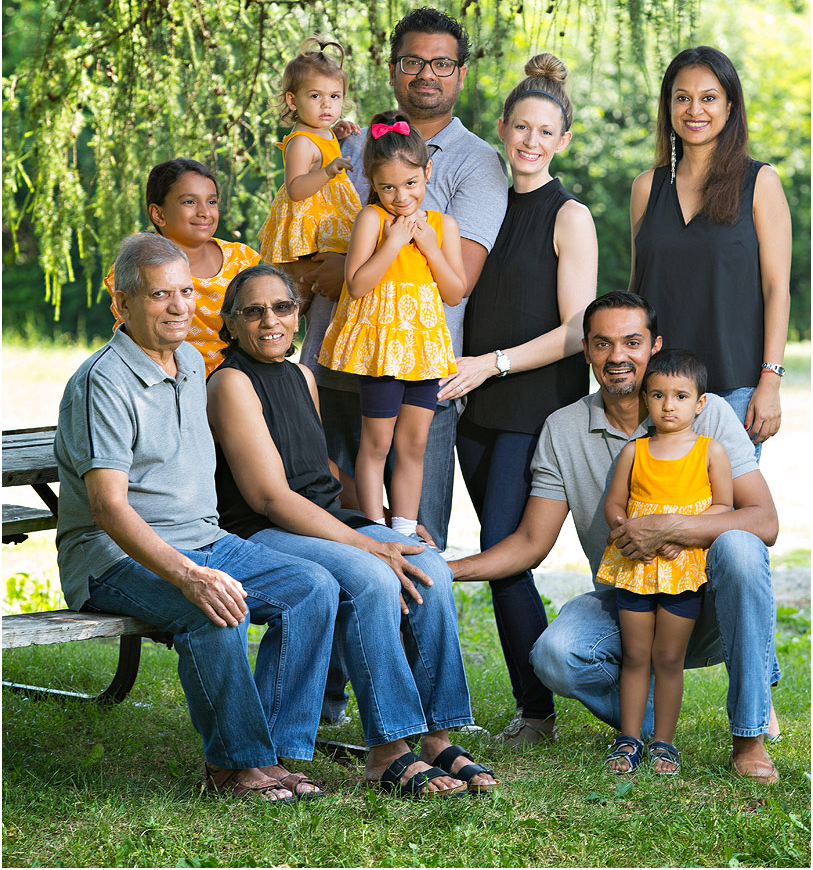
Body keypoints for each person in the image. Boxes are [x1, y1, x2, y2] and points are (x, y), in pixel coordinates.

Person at [449, 292, 781, 784]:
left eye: (632, 342)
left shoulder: (704, 414)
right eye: (602, 344)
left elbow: (764, 521)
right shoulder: (563, 429)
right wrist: (449, 568)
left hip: (709, 601)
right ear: (586, 350)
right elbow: (530, 542)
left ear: (655, 346)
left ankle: (749, 736)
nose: (617, 356)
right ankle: (650, 731)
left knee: (740, 547)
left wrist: (672, 527)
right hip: (629, 604)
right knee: (556, 655)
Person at [58, 234, 337, 802]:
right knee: (209, 608)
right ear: (122, 305)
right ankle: (234, 767)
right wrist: (188, 574)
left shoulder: (189, 359)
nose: (180, 306)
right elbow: (110, 509)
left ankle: (276, 755)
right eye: (161, 296)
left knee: (313, 587)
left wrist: (201, 559)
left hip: (202, 539)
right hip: (111, 558)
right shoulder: (102, 383)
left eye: (186, 291)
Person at [207, 264, 498, 797]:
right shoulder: (230, 382)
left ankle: (435, 734)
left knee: (427, 563)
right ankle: (387, 748)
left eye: (283, 307)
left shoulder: (302, 377)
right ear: (230, 321)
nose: (270, 320)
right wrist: (369, 544)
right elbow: (270, 496)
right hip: (263, 532)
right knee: (372, 575)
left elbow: (318, 470)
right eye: (253, 310)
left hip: (320, 518)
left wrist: (384, 520)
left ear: (298, 315)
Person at [292, 7, 508, 552]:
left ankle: (419, 638)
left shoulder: (479, 163)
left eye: (442, 63)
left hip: (420, 367)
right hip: (333, 362)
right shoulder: (349, 142)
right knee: (335, 544)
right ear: (392, 70)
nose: (426, 74)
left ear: (460, 73)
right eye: (413, 61)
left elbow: (460, 276)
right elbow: (303, 221)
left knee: (417, 541)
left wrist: (342, 267)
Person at [436, 53, 597, 746]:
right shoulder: (487, 206)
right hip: (474, 406)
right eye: (519, 128)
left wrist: (490, 365)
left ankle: (535, 712)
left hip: (533, 408)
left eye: (544, 131)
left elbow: (575, 330)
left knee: (506, 552)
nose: (529, 141)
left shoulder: (570, 216)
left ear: (563, 139)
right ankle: (530, 708)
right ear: (501, 129)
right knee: (499, 554)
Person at [630, 46, 792, 461]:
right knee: (659, 519)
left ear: (730, 105)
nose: (694, 109)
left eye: (708, 97)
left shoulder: (760, 182)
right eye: (682, 97)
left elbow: (777, 289)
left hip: (735, 392)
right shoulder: (647, 188)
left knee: (728, 522)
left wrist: (769, 383)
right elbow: (638, 291)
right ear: (668, 106)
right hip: (657, 392)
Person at [319, 111, 465, 536]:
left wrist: (429, 247)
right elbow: (357, 283)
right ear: (371, 182)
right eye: (387, 187)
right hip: (383, 352)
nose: (400, 197)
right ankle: (373, 528)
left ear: (427, 172)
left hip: (423, 353)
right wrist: (395, 242)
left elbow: (454, 292)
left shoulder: (443, 225)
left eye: (410, 184)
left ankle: (402, 528)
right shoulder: (372, 220)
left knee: (414, 444)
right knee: (377, 443)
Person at [596, 349, 733, 776]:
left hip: (683, 566)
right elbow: (615, 506)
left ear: (700, 402)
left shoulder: (711, 452)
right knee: (636, 655)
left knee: (669, 658)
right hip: (635, 566)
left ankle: (664, 743)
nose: (667, 406)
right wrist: (628, 531)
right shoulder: (634, 452)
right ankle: (629, 739)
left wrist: (676, 530)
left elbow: (725, 507)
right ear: (645, 399)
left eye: (679, 396)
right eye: (656, 395)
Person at [104, 158, 261, 377]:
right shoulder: (140, 266)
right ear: (158, 214)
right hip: (164, 380)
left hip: (238, 381)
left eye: (212, 202)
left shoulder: (241, 260)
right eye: (189, 202)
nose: (204, 212)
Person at [257, 36, 361, 285]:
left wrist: (336, 134)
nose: (327, 104)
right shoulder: (301, 143)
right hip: (307, 229)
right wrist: (327, 171)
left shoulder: (321, 131)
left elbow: (322, 147)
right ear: (293, 101)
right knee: (301, 287)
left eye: (335, 97)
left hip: (323, 221)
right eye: (315, 96)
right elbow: (295, 189)